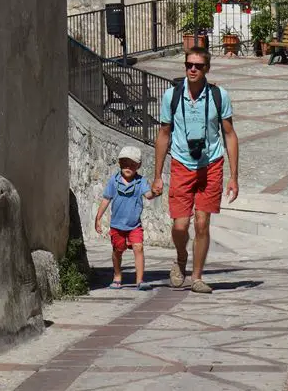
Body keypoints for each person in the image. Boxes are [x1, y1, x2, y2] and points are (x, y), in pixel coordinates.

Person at [152, 47, 239, 294]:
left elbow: (230, 135)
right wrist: (157, 176)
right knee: (180, 225)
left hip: (211, 164)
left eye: (198, 66)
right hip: (181, 163)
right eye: (189, 64)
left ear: (206, 69)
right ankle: (181, 257)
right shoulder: (172, 96)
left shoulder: (219, 96)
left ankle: (197, 276)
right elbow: (163, 135)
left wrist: (233, 177)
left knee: (202, 223)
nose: (192, 69)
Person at [95, 145, 157, 290]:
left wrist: (155, 192)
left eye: (132, 164)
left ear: (138, 165)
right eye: (125, 163)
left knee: (138, 247)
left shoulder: (140, 182)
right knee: (118, 250)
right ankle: (117, 276)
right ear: (120, 163)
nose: (128, 167)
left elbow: (148, 195)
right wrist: (98, 218)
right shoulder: (114, 181)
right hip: (117, 225)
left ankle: (140, 280)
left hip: (134, 224)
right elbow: (106, 199)